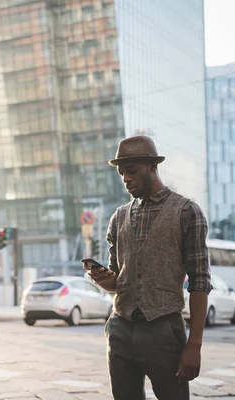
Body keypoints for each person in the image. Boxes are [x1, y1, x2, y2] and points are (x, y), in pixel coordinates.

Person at [84, 135, 212, 400]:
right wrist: (102, 278)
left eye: (132, 171)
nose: (125, 179)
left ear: (153, 166)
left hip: (163, 329)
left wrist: (195, 345)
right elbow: (117, 282)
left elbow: (199, 281)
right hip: (120, 329)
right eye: (121, 173)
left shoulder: (186, 211)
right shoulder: (118, 217)